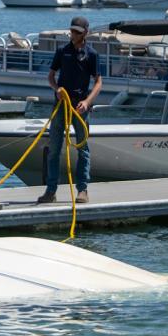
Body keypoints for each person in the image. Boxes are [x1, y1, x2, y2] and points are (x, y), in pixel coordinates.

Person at [38, 15, 103, 205]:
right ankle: (51, 191)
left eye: (77, 32)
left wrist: (87, 101)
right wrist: (56, 88)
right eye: (72, 30)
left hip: (80, 108)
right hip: (61, 106)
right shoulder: (62, 51)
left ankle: (82, 190)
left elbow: (98, 82)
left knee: (83, 149)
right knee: (54, 149)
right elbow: (51, 76)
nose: (73, 34)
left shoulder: (92, 54)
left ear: (85, 33)